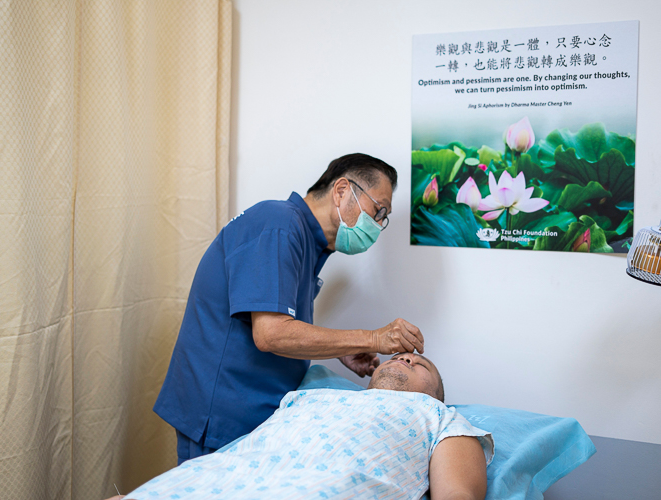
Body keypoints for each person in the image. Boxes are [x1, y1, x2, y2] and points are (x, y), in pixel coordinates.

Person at [153, 154, 426, 465]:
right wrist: (373, 339)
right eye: (378, 211)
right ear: (340, 190)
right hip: (221, 412)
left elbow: (275, 320)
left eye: (383, 219)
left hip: (257, 415)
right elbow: (271, 334)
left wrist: (342, 349)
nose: (377, 226)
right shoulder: (278, 225)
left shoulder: (307, 243)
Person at [114, 352, 493, 500]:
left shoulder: (439, 417)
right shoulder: (311, 397)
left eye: (420, 365)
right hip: (221, 480)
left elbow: (458, 496)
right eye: (399, 356)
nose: (406, 358)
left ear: (437, 395)